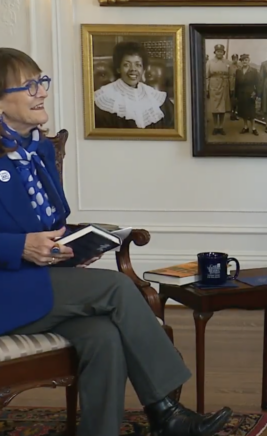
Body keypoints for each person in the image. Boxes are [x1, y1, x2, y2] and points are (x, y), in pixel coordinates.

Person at [0, 48, 232, 436]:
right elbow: (22, 240)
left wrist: (74, 246)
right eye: (29, 86)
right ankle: (166, 411)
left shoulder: (38, 151)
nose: (42, 92)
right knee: (118, 287)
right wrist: (18, 246)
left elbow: (51, 224)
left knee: (103, 337)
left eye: (42, 81)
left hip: (39, 282)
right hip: (8, 289)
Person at [94, 41, 175, 130]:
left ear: (143, 70)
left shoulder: (157, 98)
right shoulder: (104, 98)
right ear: (118, 69)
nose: (133, 69)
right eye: (126, 65)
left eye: (138, 65)